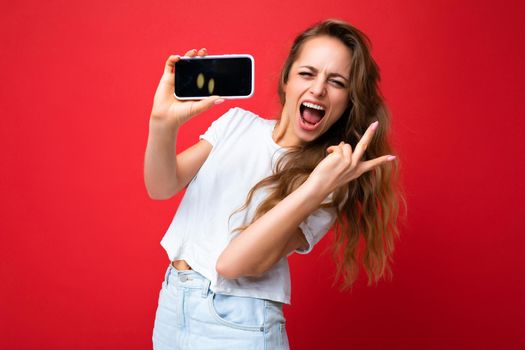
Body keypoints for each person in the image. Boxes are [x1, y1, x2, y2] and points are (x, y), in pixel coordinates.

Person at [144, 18, 402, 350]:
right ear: (287, 79)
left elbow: (231, 264)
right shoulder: (237, 122)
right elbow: (161, 186)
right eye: (307, 74)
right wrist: (162, 123)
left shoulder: (329, 181)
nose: (318, 89)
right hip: (172, 304)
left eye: (336, 82)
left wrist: (316, 186)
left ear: (349, 100)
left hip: (238, 326)